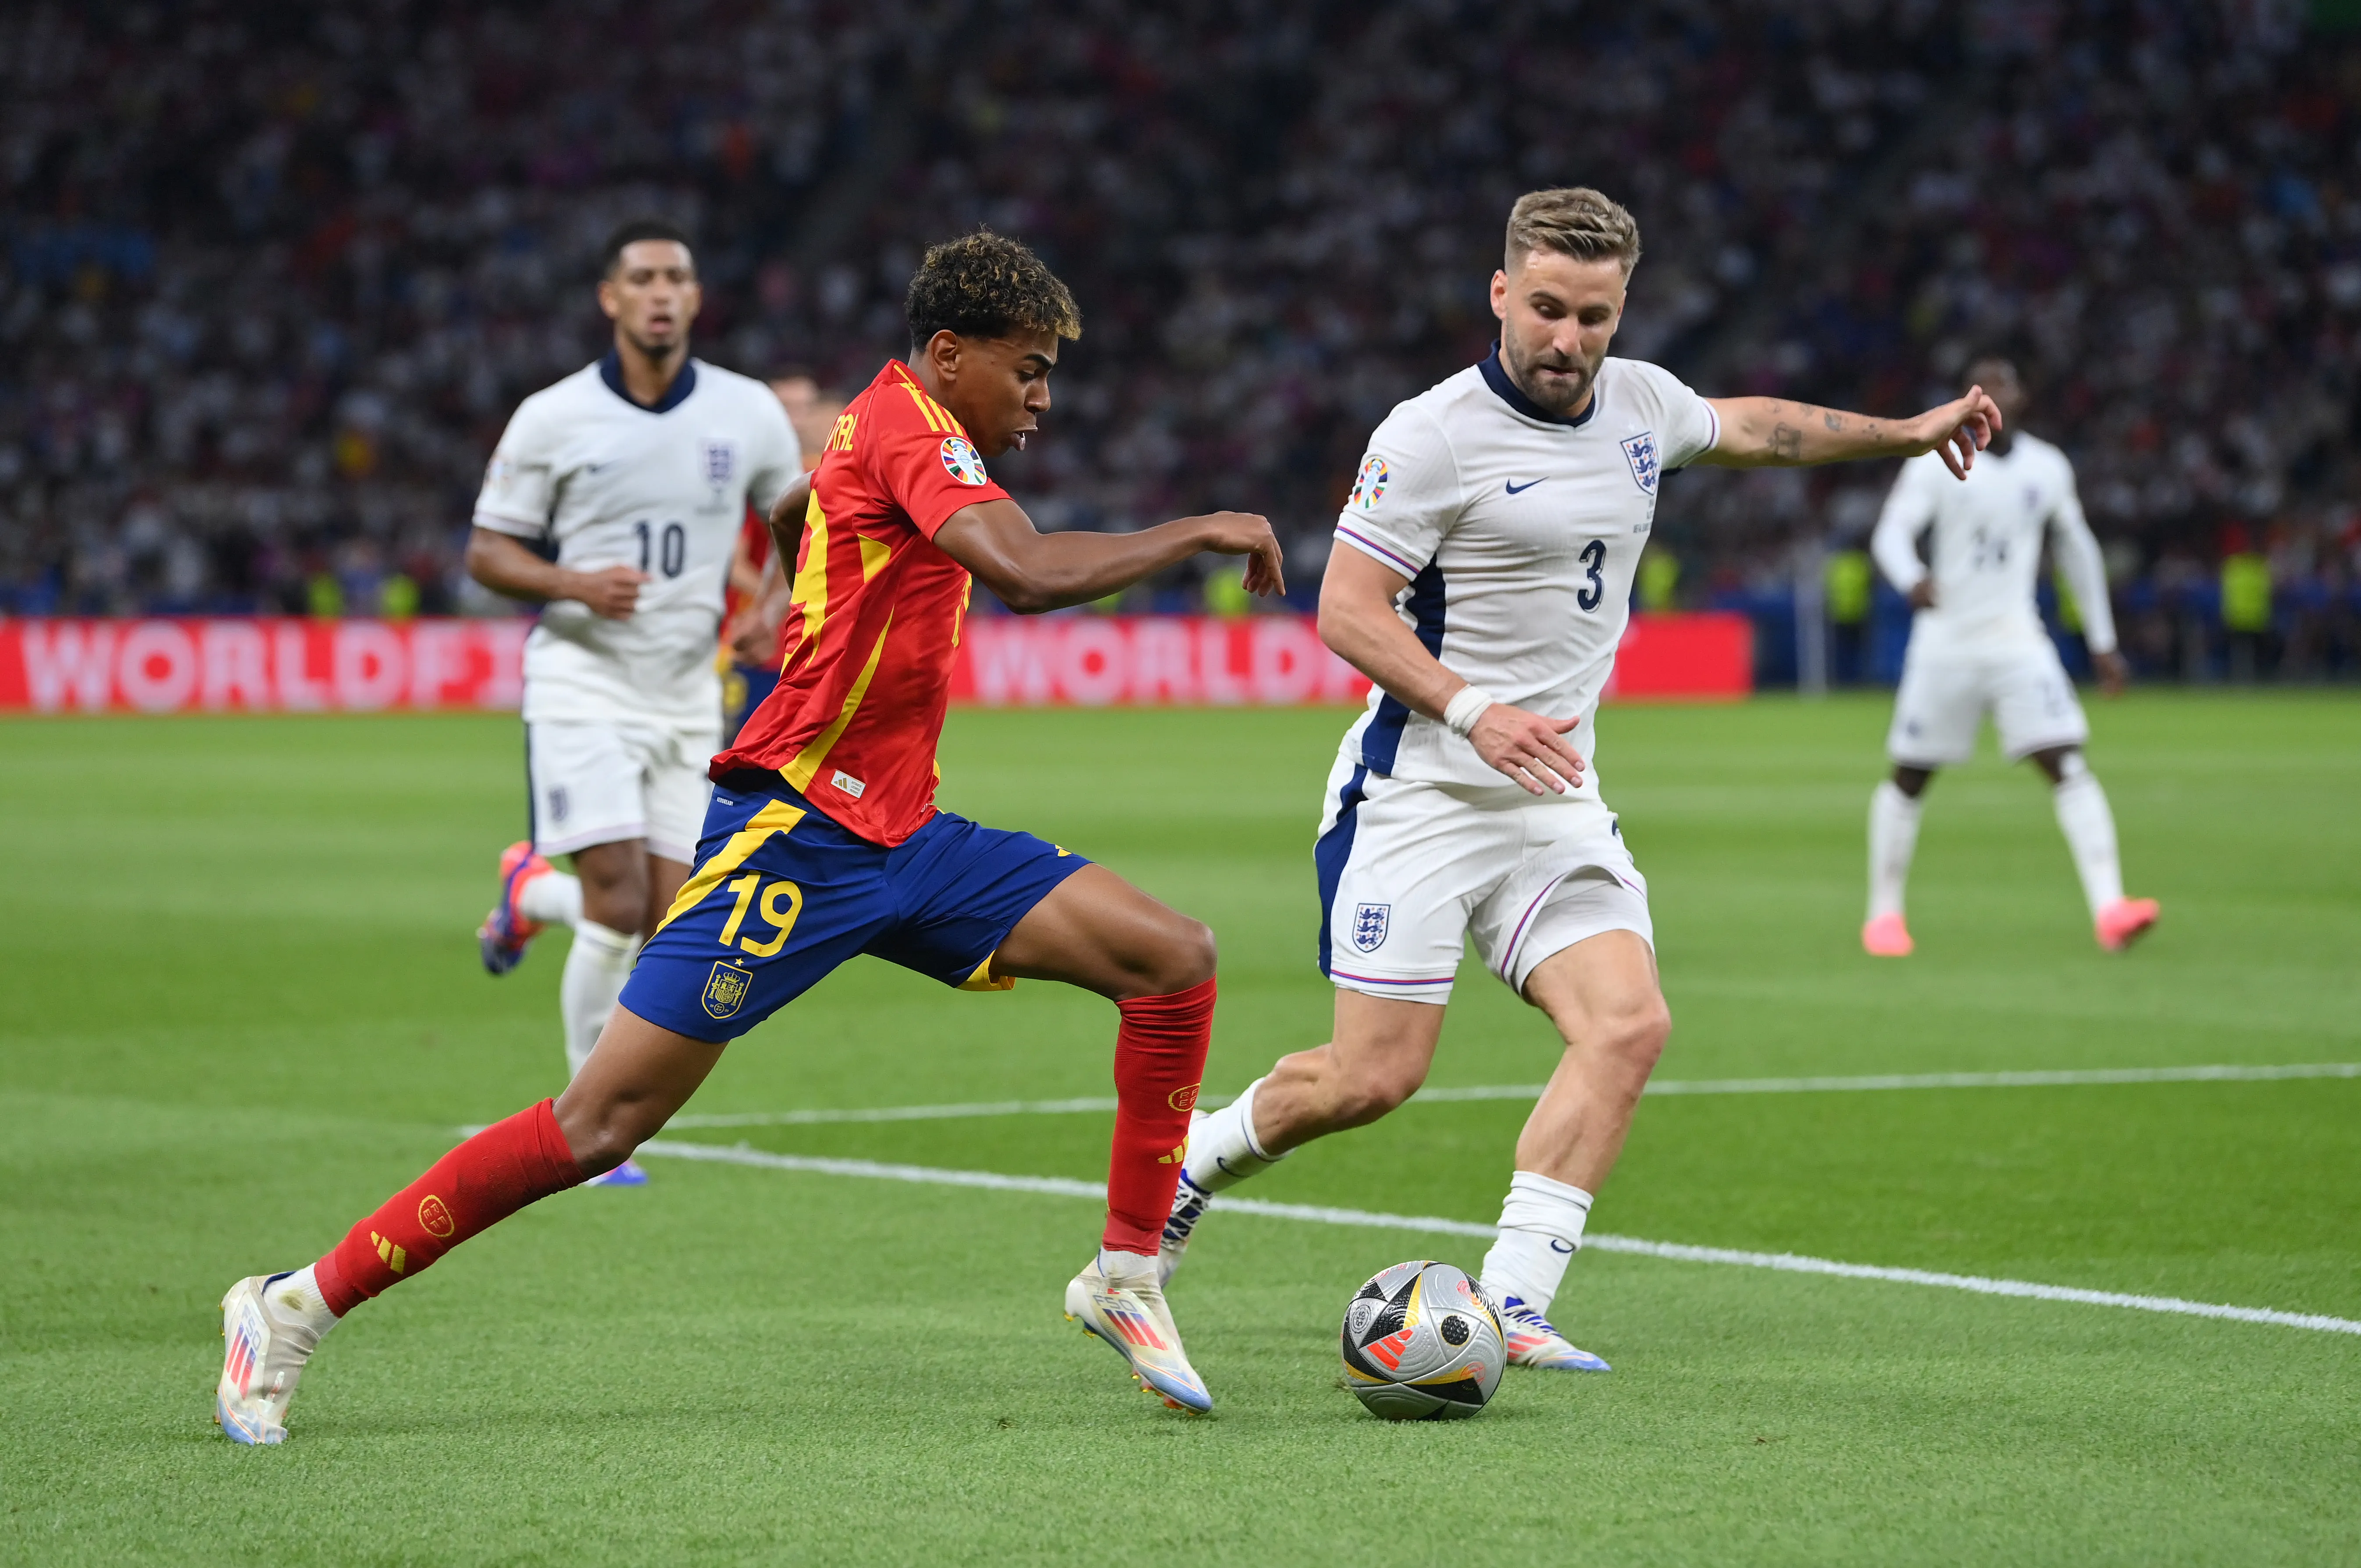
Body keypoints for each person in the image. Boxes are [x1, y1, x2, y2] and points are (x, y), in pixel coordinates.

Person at [215, 231, 1285, 1443]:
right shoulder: (909, 428)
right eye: (1027, 370)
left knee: (1174, 960)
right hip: (789, 840)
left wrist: (791, 589)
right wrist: (1204, 529)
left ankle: (1128, 1275)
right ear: (950, 355)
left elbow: (795, 500)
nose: (1042, 399)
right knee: (598, 1126)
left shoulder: (876, 425)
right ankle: (292, 1306)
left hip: (905, 838)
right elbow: (1028, 573)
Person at [1157, 187, 2004, 1373]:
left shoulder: (1646, 404)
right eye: (1546, 309)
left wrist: (1905, 431)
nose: (1567, 339)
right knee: (1371, 1078)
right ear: (1500, 294)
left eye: (1594, 317)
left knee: (1628, 1023)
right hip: (1423, 796)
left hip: (1553, 800)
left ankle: (1511, 1303)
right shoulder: (1431, 433)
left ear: (1623, 311)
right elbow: (1347, 610)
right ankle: (1192, 1163)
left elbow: (1758, 427)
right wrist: (1471, 708)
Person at [466, 220, 802, 1187]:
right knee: (619, 904)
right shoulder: (553, 416)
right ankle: (586, 1125)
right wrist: (575, 585)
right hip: (581, 685)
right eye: (643, 278)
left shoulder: (745, 414)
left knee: (669, 921)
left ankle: (531, 893)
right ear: (609, 300)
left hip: (685, 694)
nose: (661, 293)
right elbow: (487, 550)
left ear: (697, 300)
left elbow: (800, 520)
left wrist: (774, 608)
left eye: (677, 278)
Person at [1862, 356, 2159, 957]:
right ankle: (1884, 916)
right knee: (1911, 776)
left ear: (2021, 398)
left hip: (2018, 640)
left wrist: (2102, 642)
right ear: (1966, 401)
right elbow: (1890, 531)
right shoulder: (1937, 461)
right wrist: (1911, 577)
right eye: (1982, 385)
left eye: (2005, 383)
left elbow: (2078, 551)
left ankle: (2111, 908)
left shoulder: (2048, 468)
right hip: (1946, 642)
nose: (1994, 394)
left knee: (2066, 762)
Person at [719, 375, 846, 745]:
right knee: (739, 760)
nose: (797, 420)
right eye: (785, 409)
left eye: (804, 409)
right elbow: (734, 562)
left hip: (812, 650)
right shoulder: (757, 480)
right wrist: (784, 604)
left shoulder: (834, 476)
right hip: (757, 646)